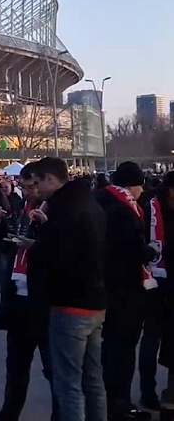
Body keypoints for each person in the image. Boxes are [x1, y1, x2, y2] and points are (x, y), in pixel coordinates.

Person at [27, 157, 107, 421]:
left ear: (50, 179)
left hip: (69, 302)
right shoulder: (90, 203)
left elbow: (58, 256)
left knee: (69, 383)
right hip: (95, 300)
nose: (37, 189)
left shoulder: (63, 209)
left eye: (38, 182)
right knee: (93, 379)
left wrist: (37, 245)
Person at [0, 163, 59, 421]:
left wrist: (43, 230)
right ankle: (9, 414)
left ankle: (60, 414)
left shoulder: (55, 209)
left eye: (32, 186)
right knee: (16, 367)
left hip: (43, 300)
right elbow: (6, 246)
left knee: (53, 368)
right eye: (24, 187)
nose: (29, 191)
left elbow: (60, 250)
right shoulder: (22, 207)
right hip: (18, 298)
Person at [94, 161, 156, 421]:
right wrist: (149, 252)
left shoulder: (100, 201)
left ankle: (109, 403)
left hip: (106, 286)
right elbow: (129, 250)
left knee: (110, 347)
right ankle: (120, 405)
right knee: (123, 348)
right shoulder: (123, 209)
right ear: (133, 185)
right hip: (125, 289)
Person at [140, 171, 174, 412]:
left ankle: (170, 390)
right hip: (154, 281)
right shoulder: (150, 207)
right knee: (151, 338)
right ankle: (148, 391)